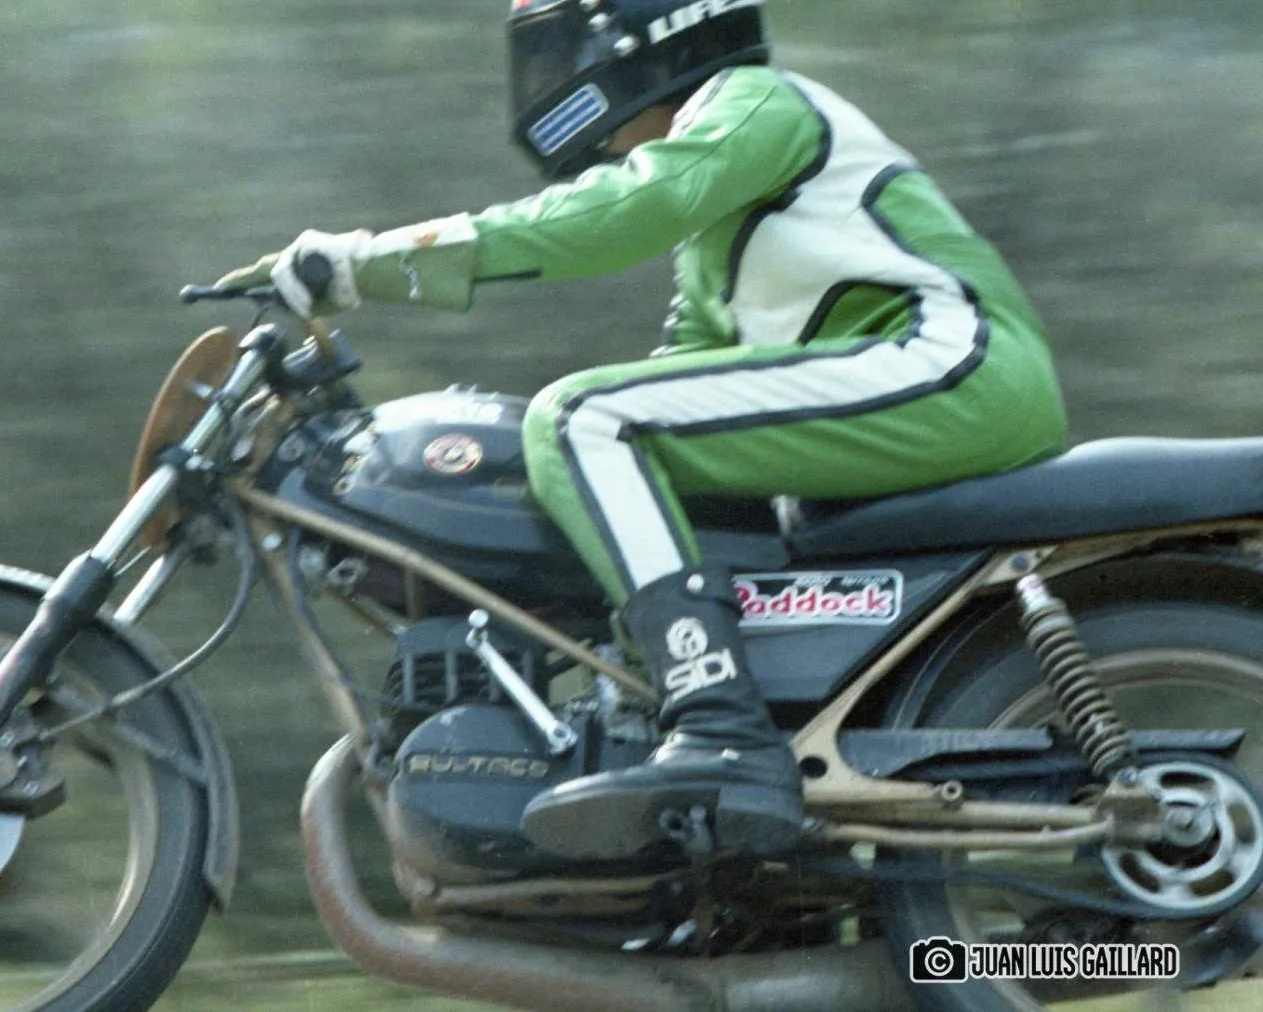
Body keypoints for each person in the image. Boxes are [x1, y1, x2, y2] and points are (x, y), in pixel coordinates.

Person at [217, 0, 1068, 861]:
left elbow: (625, 211)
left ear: (643, 40)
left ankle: (720, 723)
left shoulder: (754, 102)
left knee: (579, 417)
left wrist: (369, 262)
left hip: (949, 365)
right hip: (920, 387)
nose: (549, 83)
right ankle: (677, 732)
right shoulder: (713, 234)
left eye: (559, 56)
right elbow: (679, 376)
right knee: (597, 443)